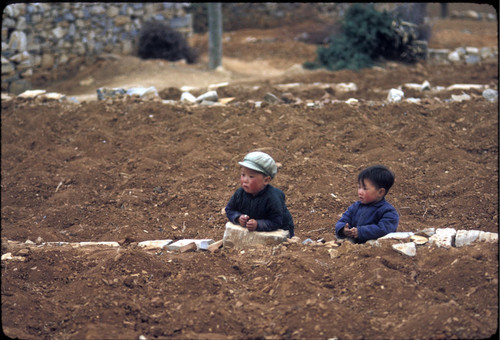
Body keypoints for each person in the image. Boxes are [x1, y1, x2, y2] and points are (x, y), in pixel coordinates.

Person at [225, 151, 295, 237]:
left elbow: (276, 221)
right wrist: (238, 218)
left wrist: (258, 224)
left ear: (266, 180)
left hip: (278, 235)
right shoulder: (240, 193)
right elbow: (229, 209)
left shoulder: (272, 198)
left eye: (251, 176)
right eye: (243, 175)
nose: (245, 180)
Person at [335, 165, 399, 243]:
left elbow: (384, 229)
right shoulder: (356, 206)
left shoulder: (388, 211)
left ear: (380, 192)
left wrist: (360, 232)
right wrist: (343, 229)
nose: (360, 192)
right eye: (359, 187)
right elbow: (343, 220)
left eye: (365, 188)